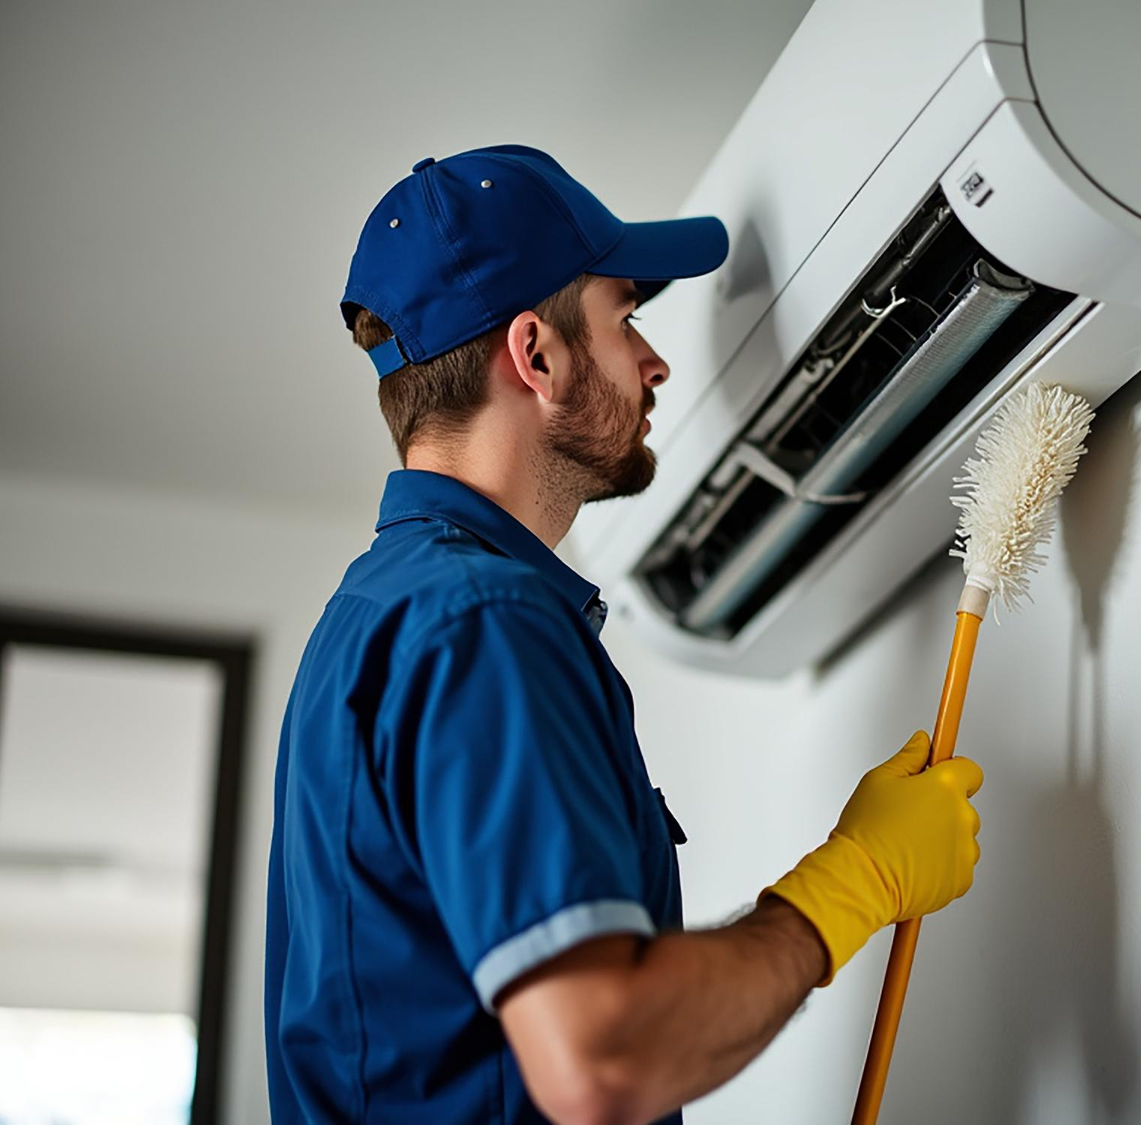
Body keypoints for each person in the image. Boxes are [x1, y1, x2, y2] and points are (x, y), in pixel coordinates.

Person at [264, 145, 983, 1125]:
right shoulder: (481, 622)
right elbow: (602, 1058)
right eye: (626, 320)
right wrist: (852, 882)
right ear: (538, 355)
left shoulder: (388, 617)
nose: (655, 364)